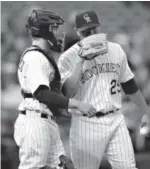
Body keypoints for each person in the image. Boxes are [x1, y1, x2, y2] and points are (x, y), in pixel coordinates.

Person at [58, 10, 150, 169]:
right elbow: (68, 93)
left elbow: (129, 85)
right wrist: (81, 60)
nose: (92, 33)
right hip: (86, 123)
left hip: (115, 118)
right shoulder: (68, 57)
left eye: (94, 28)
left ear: (99, 27)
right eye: (87, 31)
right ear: (78, 32)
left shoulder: (116, 50)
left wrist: (146, 111)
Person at [13, 9, 96, 169]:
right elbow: (42, 94)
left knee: (64, 165)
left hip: (44, 119)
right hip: (35, 121)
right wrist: (77, 104)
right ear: (46, 30)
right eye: (55, 27)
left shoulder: (42, 56)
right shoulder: (34, 57)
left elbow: (62, 92)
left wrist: (81, 60)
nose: (60, 33)